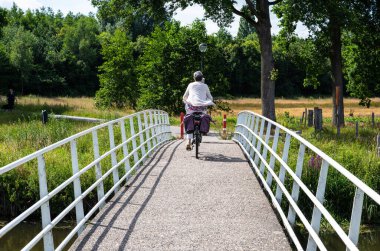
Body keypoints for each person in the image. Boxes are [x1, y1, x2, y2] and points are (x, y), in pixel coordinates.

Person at [182, 71, 214, 150]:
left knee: (189, 118)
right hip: (202, 108)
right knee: (203, 116)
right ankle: (201, 131)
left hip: (191, 108)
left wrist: (186, 101)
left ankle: (188, 141)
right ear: (202, 78)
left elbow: (184, 96)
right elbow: (211, 98)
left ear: (194, 78)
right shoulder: (205, 86)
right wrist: (206, 101)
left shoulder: (190, 85)